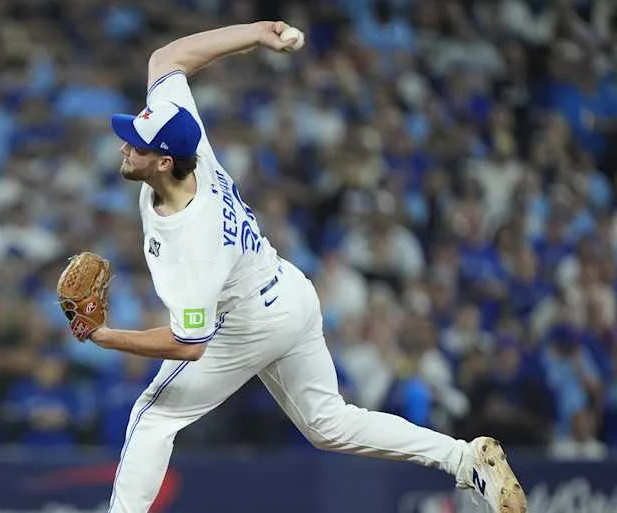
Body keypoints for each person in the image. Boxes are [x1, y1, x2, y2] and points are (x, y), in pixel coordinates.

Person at [84, 21, 526, 513]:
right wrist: (255, 32)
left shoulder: (193, 241)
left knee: (152, 415)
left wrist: (106, 336)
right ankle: (465, 460)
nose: (125, 146)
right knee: (329, 424)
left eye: (137, 144)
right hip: (287, 290)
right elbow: (168, 57)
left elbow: (189, 344)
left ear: (164, 162)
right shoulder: (190, 147)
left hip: (247, 322)